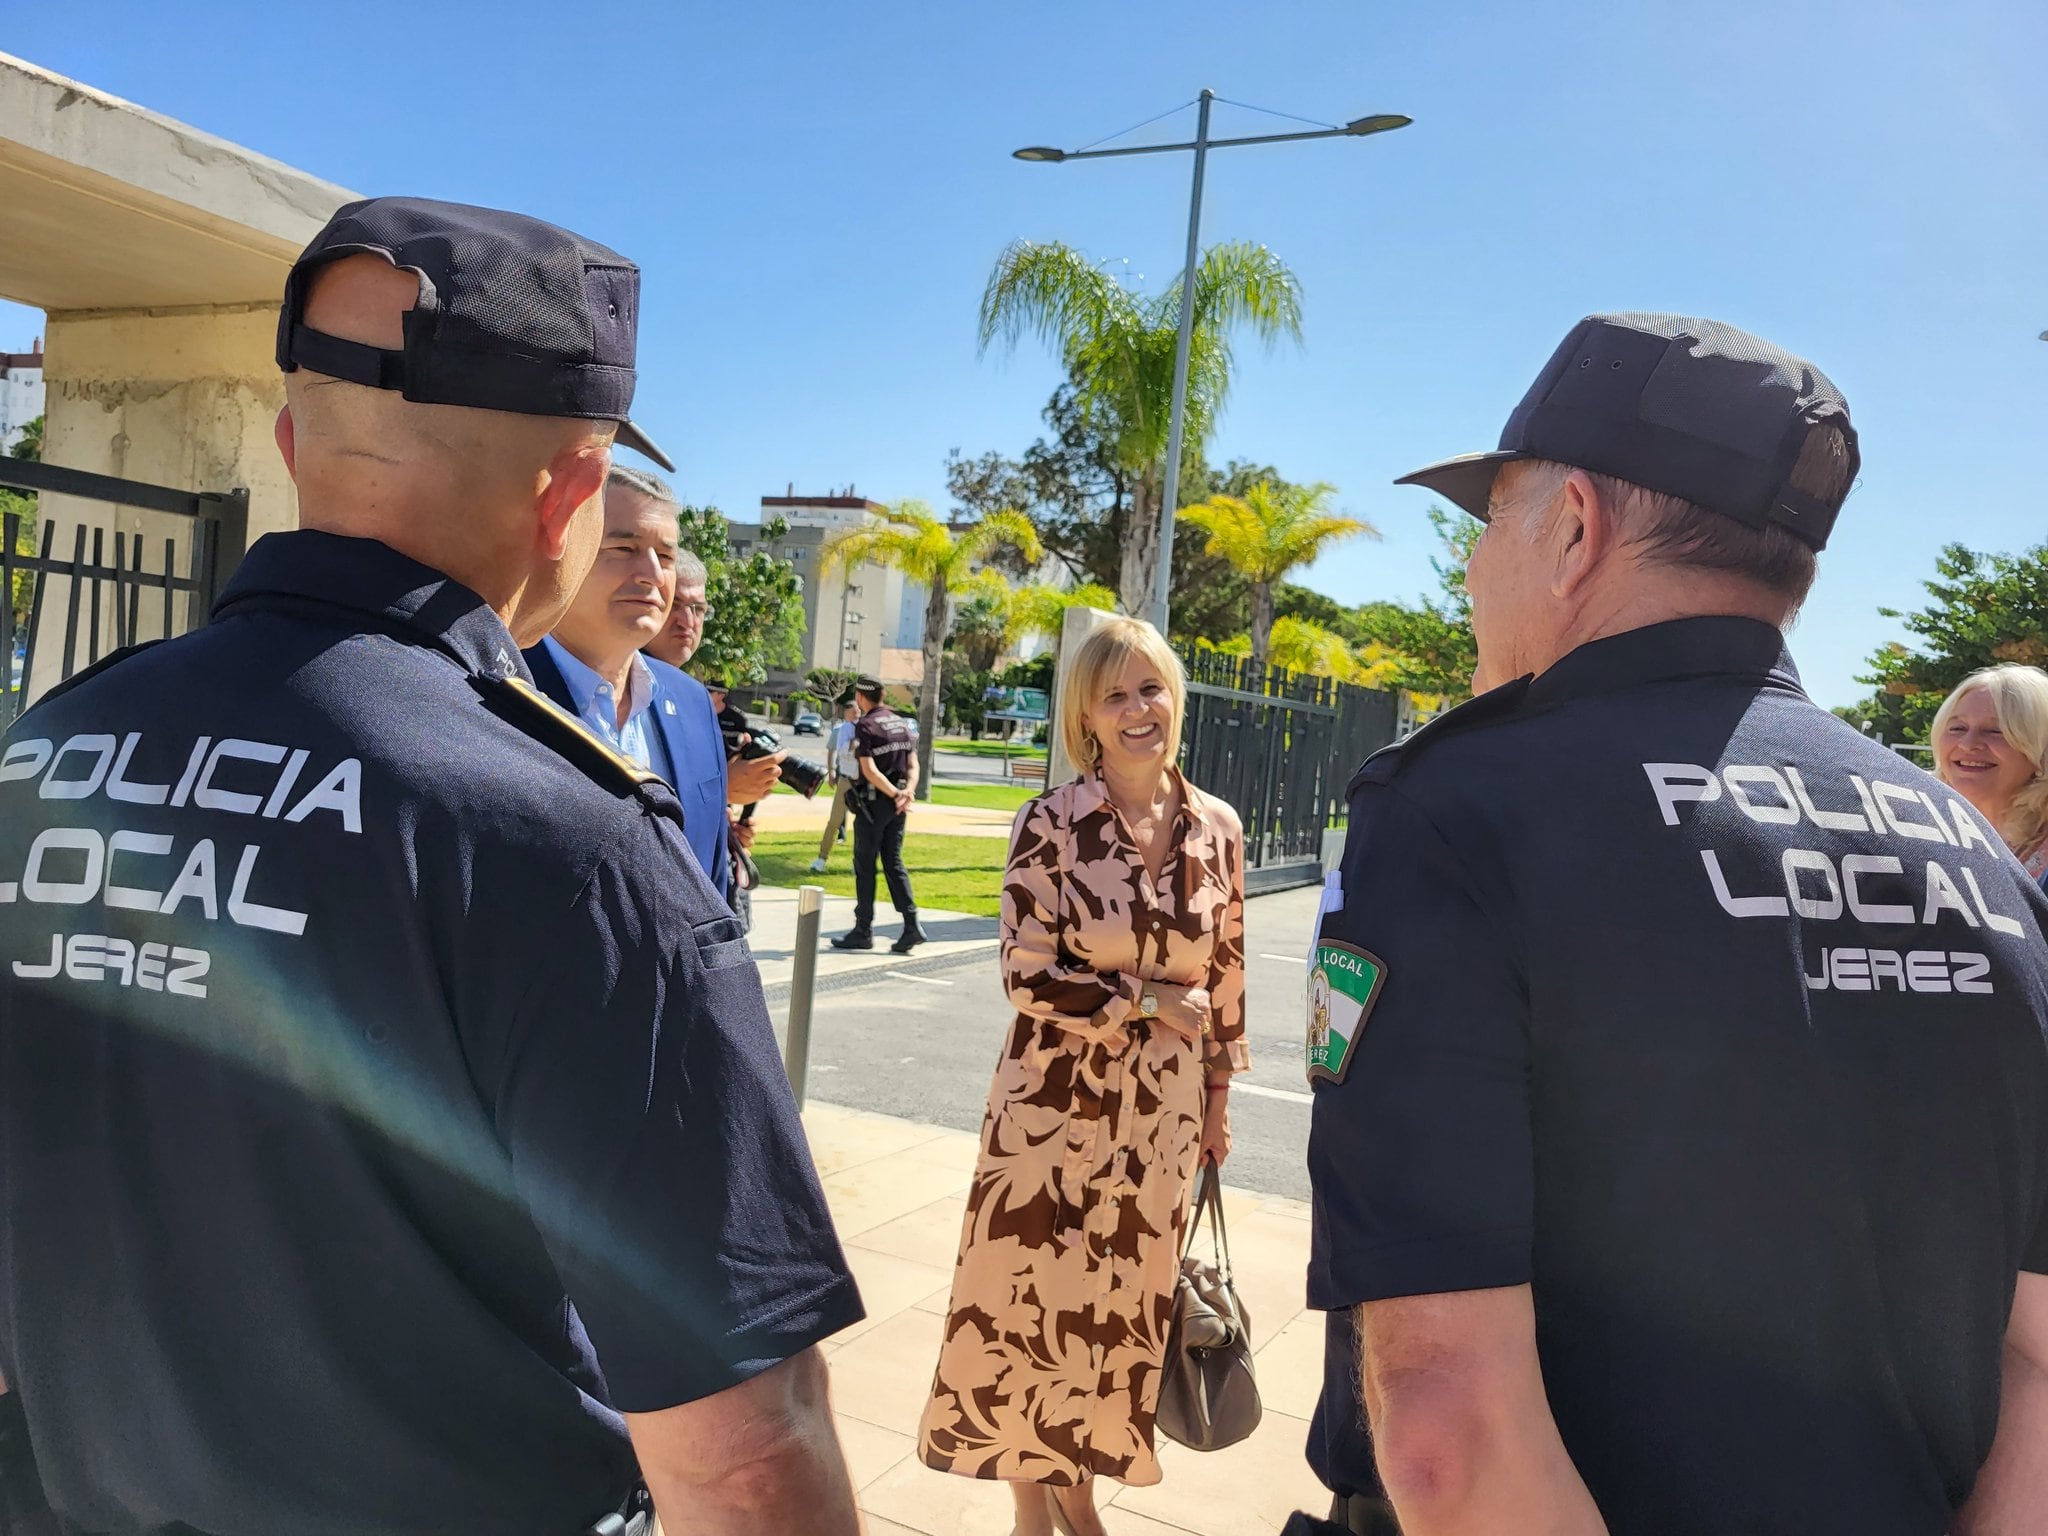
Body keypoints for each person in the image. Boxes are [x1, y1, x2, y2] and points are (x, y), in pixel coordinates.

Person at [0, 196, 864, 1536]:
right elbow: (746, 1455)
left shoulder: (46, 753)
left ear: (295, 443)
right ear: (571, 493)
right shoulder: (566, 843)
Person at [1305, 312, 2048, 1536]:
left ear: (1576, 530)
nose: (1474, 569)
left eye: (1489, 523)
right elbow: (2034, 1359)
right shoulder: (1971, 849)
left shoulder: (1460, 812)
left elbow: (1449, 1437)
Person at [918, 616, 1247, 1536]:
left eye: (1154, 689)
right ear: (1086, 717)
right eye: (1117, 695)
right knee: (1024, 1300)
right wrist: (1140, 999)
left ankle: (1080, 1488)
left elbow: (1226, 980)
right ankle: (1036, 1506)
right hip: (1051, 1109)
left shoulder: (1217, 828)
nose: (1140, 709)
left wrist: (1218, 1105)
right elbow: (1024, 971)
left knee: (1118, 1310)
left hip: (1163, 1120)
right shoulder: (1050, 823)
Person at [523, 465, 772, 905]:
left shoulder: (694, 706)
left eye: (667, 557)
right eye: (625, 547)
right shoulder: (493, 690)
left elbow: (711, 888)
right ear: (564, 548)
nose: (653, 574)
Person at [830, 675, 925, 953]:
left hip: (875, 805)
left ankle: (863, 929)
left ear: (861, 698)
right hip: (898, 804)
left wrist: (896, 795)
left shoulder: (866, 726)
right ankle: (911, 924)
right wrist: (907, 793)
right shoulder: (902, 724)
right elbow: (913, 765)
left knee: (865, 866)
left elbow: (869, 770)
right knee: (894, 862)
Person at [1931, 664, 2048, 887]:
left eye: (1996, 731)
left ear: (2041, 750)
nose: (1967, 744)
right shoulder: (1916, 830)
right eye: (1957, 728)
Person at [809, 693, 862, 873]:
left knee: (862, 824)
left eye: (857, 710)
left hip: (863, 781)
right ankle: (821, 858)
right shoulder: (842, 730)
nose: (855, 713)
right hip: (846, 779)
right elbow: (841, 750)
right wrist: (831, 771)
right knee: (834, 821)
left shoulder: (865, 727)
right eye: (852, 710)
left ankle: (859, 863)